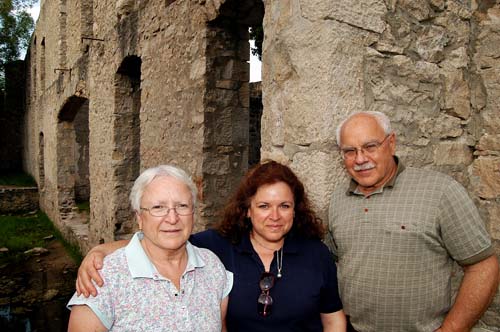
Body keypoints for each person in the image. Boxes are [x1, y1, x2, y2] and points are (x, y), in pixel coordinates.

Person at [75, 161, 347, 331]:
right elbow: (166, 239)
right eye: (263, 206)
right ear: (247, 210)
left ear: (295, 210)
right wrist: (101, 251)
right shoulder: (218, 247)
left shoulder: (316, 254)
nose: (274, 216)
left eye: (284, 206)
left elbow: (333, 319)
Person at [328, 111, 499, 332]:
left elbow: (483, 266)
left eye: (370, 147)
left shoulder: (439, 191)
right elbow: (333, 264)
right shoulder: (338, 199)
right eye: (350, 151)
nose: (360, 159)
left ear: (391, 143)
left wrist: (452, 329)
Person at [67, 165, 232, 332]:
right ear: (139, 218)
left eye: (182, 206)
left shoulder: (212, 267)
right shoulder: (104, 279)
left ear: (193, 213)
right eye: (158, 208)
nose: (172, 218)